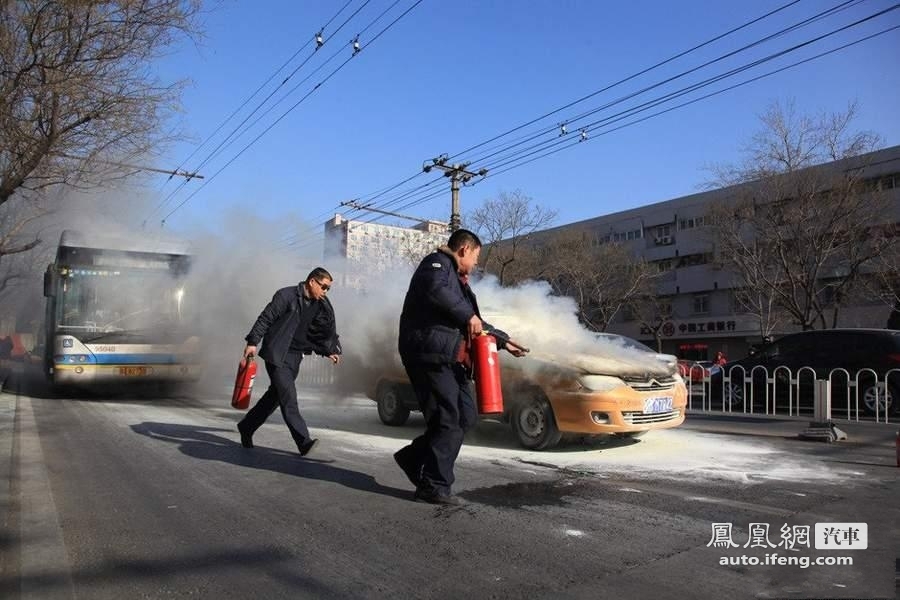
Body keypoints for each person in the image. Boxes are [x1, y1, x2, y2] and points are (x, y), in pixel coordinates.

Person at [394, 229, 526, 505]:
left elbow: (475, 322)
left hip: (450, 357)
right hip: (429, 354)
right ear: (465, 250)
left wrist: (504, 340)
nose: (477, 264)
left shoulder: (458, 283)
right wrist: (468, 314)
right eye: (476, 256)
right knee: (447, 419)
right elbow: (437, 291)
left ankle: (412, 457)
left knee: (465, 417)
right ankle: (433, 485)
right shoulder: (436, 265)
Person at [237, 267, 342, 457]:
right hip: (277, 354)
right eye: (324, 287)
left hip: (295, 357)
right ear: (312, 282)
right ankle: (304, 442)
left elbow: (320, 332)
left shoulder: (320, 305)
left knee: (274, 397)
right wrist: (252, 342)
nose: (326, 292)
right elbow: (265, 318)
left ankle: (246, 427)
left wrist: (330, 350)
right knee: (289, 398)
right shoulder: (286, 296)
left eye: (329, 289)